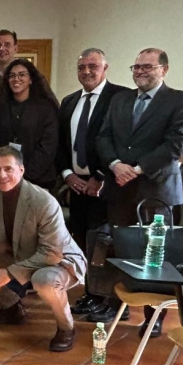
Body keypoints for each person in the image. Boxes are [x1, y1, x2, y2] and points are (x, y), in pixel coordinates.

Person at [95, 48, 183, 336]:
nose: (139, 72)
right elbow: (104, 136)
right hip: (120, 189)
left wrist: (136, 169)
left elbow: (176, 144)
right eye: (136, 67)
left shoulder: (180, 100)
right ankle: (118, 306)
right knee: (121, 248)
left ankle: (154, 317)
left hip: (157, 190)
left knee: (156, 255)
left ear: (163, 69)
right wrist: (115, 164)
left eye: (147, 67)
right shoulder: (120, 99)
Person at [0, 146, 86, 353]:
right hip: (21, 254)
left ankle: (66, 328)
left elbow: (51, 252)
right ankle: (11, 307)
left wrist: (9, 272)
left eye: (8, 169)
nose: (2, 175)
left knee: (44, 281)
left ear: (21, 170)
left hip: (58, 261)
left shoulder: (44, 201)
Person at [55, 49, 128, 318]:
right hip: (77, 185)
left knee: (108, 242)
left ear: (105, 68)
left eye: (93, 66)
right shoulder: (69, 101)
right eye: (82, 66)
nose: (87, 71)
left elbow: (121, 142)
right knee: (85, 241)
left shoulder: (120, 97)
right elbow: (61, 143)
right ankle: (92, 293)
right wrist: (67, 174)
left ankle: (114, 302)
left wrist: (100, 176)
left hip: (108, 185)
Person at [0, 59, 60, 189]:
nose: (16, 79)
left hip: (38, 180)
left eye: (22, 74)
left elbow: (48, 147)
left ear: (31, 79)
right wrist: (4, 171)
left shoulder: (46, 109)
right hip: (4, 179)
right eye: (12, 75)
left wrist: (24, 174)